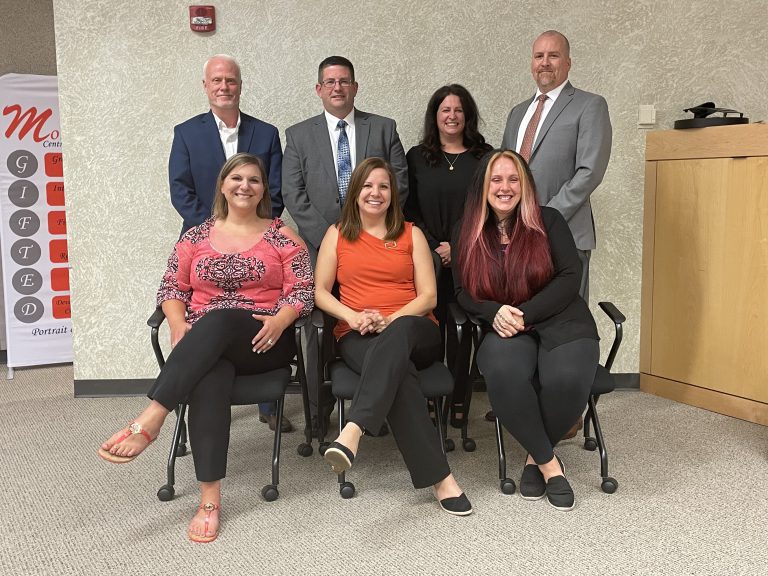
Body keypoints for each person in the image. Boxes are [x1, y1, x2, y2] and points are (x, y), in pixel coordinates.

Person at [98, 153, 314, 542]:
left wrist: (282, 320)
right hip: (206, 347)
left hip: (265, 341)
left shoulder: (284, 236)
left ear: (264, 189)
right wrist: (179, 322)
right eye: (236, 178)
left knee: (218, 318)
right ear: (222, 185)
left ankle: (153, 415)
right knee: (209, 374)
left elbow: (302, 290)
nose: (245, 185)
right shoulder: (195, 237)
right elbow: (171, 288)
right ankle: (209, 500)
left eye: (254, 179)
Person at [314, 157, 472, 516]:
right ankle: (441, 480)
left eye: (383, 186)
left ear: (392, 193)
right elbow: (320, 292)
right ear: (355, 192)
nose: (376, 193)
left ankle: (354, 427)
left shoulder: (411, 233)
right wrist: (353, 317)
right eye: (368, 185)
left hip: (416, 330)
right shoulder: (336, 234)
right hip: (357, 334)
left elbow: (429, 296)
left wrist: (390, 319)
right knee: (398, 374)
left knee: (398, 337)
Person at [452, 150, 599, 512]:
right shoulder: (466, 231)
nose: (505, 187)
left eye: (513, 179)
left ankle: (534, 459)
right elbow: (461, 292)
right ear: (483, 186)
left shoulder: (548, 220)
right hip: (504, 324)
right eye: (496, 179)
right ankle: (550, 464)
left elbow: (569, 277)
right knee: (504, 373)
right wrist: (493, 311)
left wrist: (525, 312)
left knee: (567, 379)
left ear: (525, 185)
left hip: (560, 317)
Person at [282, 56, 409, 434]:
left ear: (355, 87)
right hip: (322, 247)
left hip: (376, 246)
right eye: (330, 82)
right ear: (319, 89)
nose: (337, 87)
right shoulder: (298, 135)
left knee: (375, 317)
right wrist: (333, 240)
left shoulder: (383, 128)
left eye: (345, 81)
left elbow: (398, 183)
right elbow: (293, 193)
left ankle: (382, 400)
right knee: (318, 328)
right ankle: (319, 413)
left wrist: (365, 237)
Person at [168, 54, 290, 431]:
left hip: (259, 238)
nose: (224, 87)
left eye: (231, 81)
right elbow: (180, 189)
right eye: (217, 81)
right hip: (204, 241)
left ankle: (270, 406)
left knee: (263, 301)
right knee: (207, 311)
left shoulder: (266, 132)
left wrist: (250, 228)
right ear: (206, 86)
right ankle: (199, 398)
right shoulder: (186, 132)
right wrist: (217, 230)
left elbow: (276, 189)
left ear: (240, 85)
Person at [499, 30, 611, 434]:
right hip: (517, 242)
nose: (544, 63)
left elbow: (588, 173)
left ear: (568, 61)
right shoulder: (517, 113)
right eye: (538, 56)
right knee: (525, 322)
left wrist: (544, 220)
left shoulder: (589, 106)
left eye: (553, 56)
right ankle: (526, 401)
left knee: (564, 327)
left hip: (565, 238)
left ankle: (567, 415)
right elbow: (505, 178)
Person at [405, 84, 492, 427]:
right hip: (426, 257)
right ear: (435, 116)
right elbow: (407, 209)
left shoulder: (485, 156)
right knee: (429, 327)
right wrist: (433, 246)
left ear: (467, 115)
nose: (452, 116)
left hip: (471, 254)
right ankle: (428, 397)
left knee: (464, 329)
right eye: (445, 110)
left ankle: (459, 399)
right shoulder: (416, 156)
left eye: (458, 110)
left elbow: (492, 207)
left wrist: (459, 246)